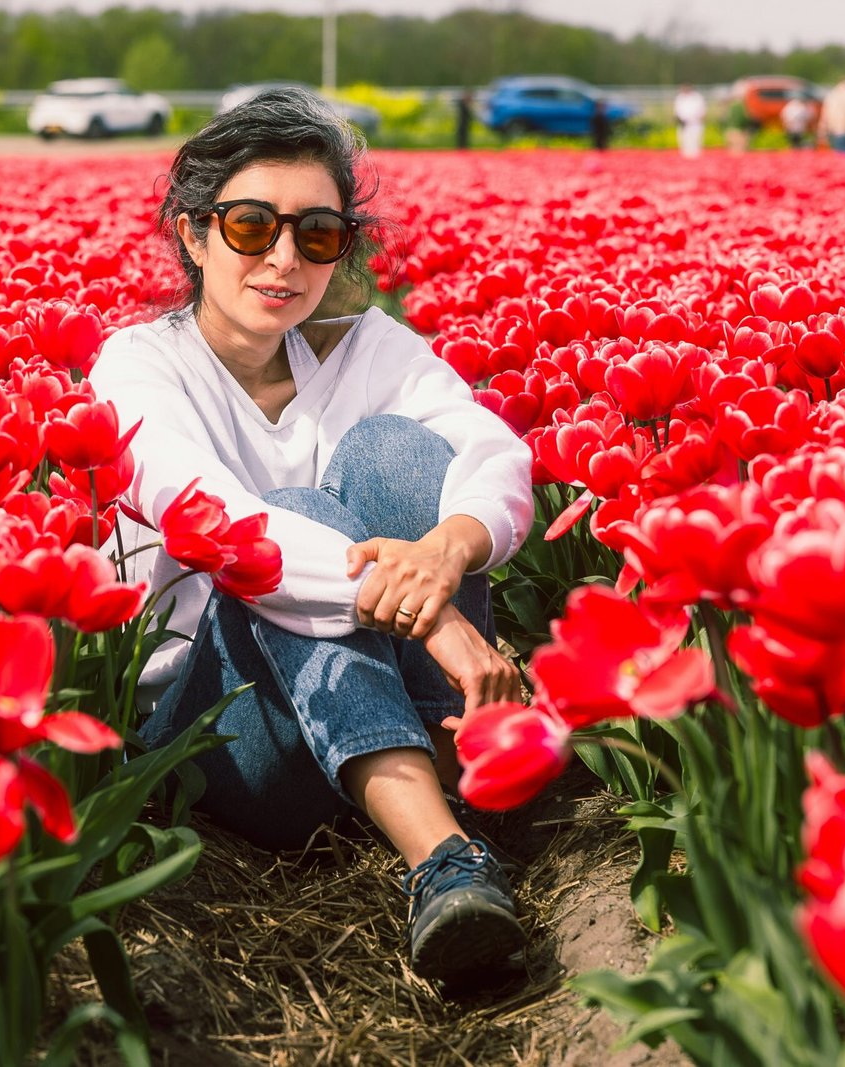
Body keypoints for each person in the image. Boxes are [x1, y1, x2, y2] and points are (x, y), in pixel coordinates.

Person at [88, 87, 535, 990]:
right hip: (230, 736)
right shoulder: (138, 367)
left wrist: (449, 547)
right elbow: (212, 522)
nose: (284, 258)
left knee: (402, 450)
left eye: (318, 234)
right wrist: (438, 622)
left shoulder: (368, 347)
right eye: (252, 226)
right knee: (290, 515)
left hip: (407, 697)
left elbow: (497, 454)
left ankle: (444, 770)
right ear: (193, 233)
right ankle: (445, 855)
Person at [673, 83, 707, 159]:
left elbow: (702, 112)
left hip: (695, 123)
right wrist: (678, 119)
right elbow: (676, 111)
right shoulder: (680, 97)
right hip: (683, 124)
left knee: (695, 141)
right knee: (684, 142)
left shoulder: (697, 97)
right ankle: (685, 158)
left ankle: (695, 158)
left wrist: (699, 119)